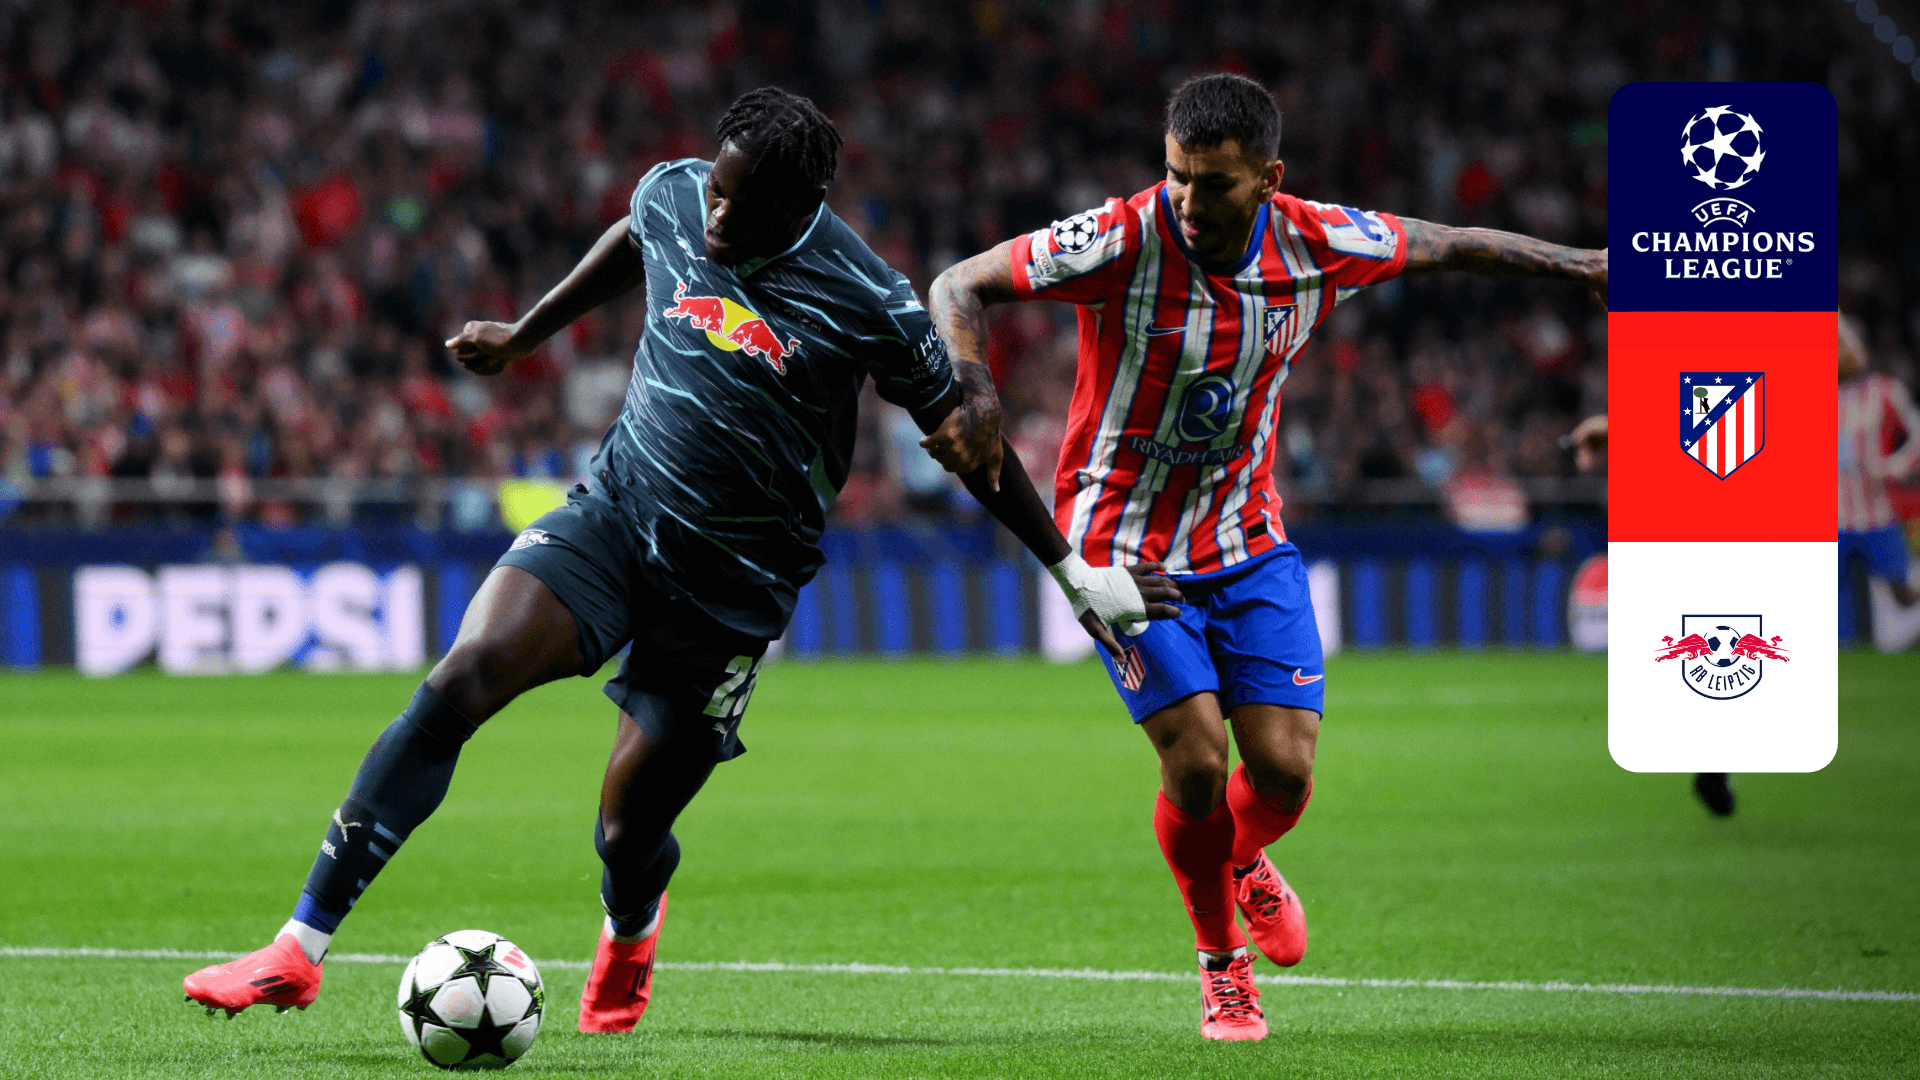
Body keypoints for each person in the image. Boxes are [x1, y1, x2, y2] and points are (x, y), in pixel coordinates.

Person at [182, 87, 1179, 1030]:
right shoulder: (676, 193)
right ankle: (298, 948)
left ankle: (630, 925)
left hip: (733, 593)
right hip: (615, 518)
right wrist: (527, 334)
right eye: (716, 187)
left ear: (800, 203)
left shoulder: (868, 298)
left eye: (740, 203)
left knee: (627, 832)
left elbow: (972, 447)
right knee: (461, 678)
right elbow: (637, 236)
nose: (714, 214)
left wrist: (1071, 573)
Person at [931, 73, 1606, 1041]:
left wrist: (1582, 265)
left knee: (1284, 773)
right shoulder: (1120, 237)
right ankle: (1220, 964)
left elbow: (1450, 244)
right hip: (1121, 542)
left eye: (1213, 183)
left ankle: (1238, 858)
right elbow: (958, 283)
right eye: (1176, 175)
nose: (1186, 200)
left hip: (1247, 539)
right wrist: (975, 387)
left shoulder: (1319, 240)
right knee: (1199, 761)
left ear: (1268, 179)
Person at [1838, 312, 1920, 653]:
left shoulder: (1884, 391)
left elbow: (1916, 434)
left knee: (1903, 592)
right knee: (1835, 597)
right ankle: (1845, 653)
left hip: (1876, 513)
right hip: (1833, 519)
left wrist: (1894, 466)